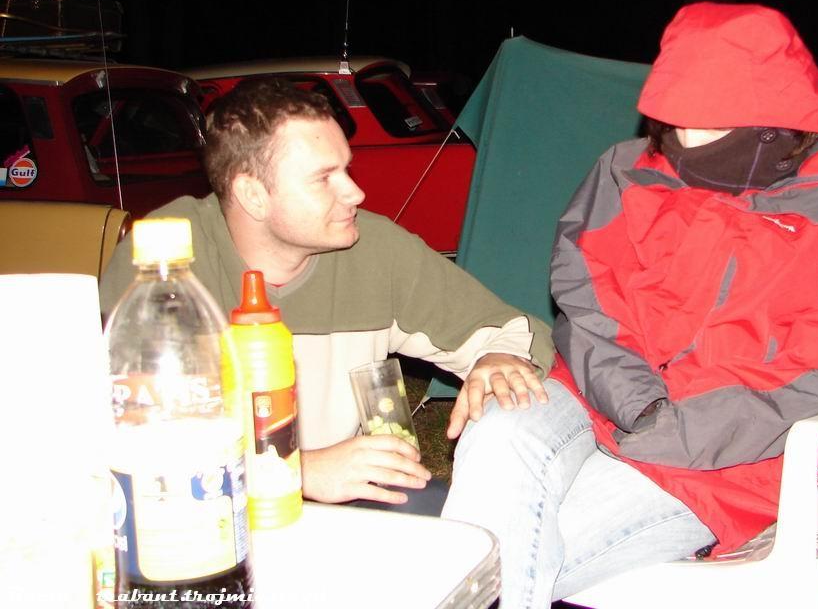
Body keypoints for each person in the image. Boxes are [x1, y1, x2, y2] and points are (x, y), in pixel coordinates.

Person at [442, 3, 818, 607]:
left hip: (726, 460)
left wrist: (682, 429)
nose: (685, 141)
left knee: (506, 558)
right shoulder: (627, 171)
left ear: (771, 118)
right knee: (497, 438)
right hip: (598, 395)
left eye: (709, 125)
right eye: (675, 121)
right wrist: (639, 405)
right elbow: (588, 302)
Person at [99, 77, 553, 513]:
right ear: (253, 195)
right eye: (324, 178)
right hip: (202, 510)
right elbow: (113, 441)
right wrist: (296, 472)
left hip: (345, 503)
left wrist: (497, 359)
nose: (355, 192)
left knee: (453, 530)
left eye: (347, 169)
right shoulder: (164, 266)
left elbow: (516, 331)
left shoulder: (374, 250)